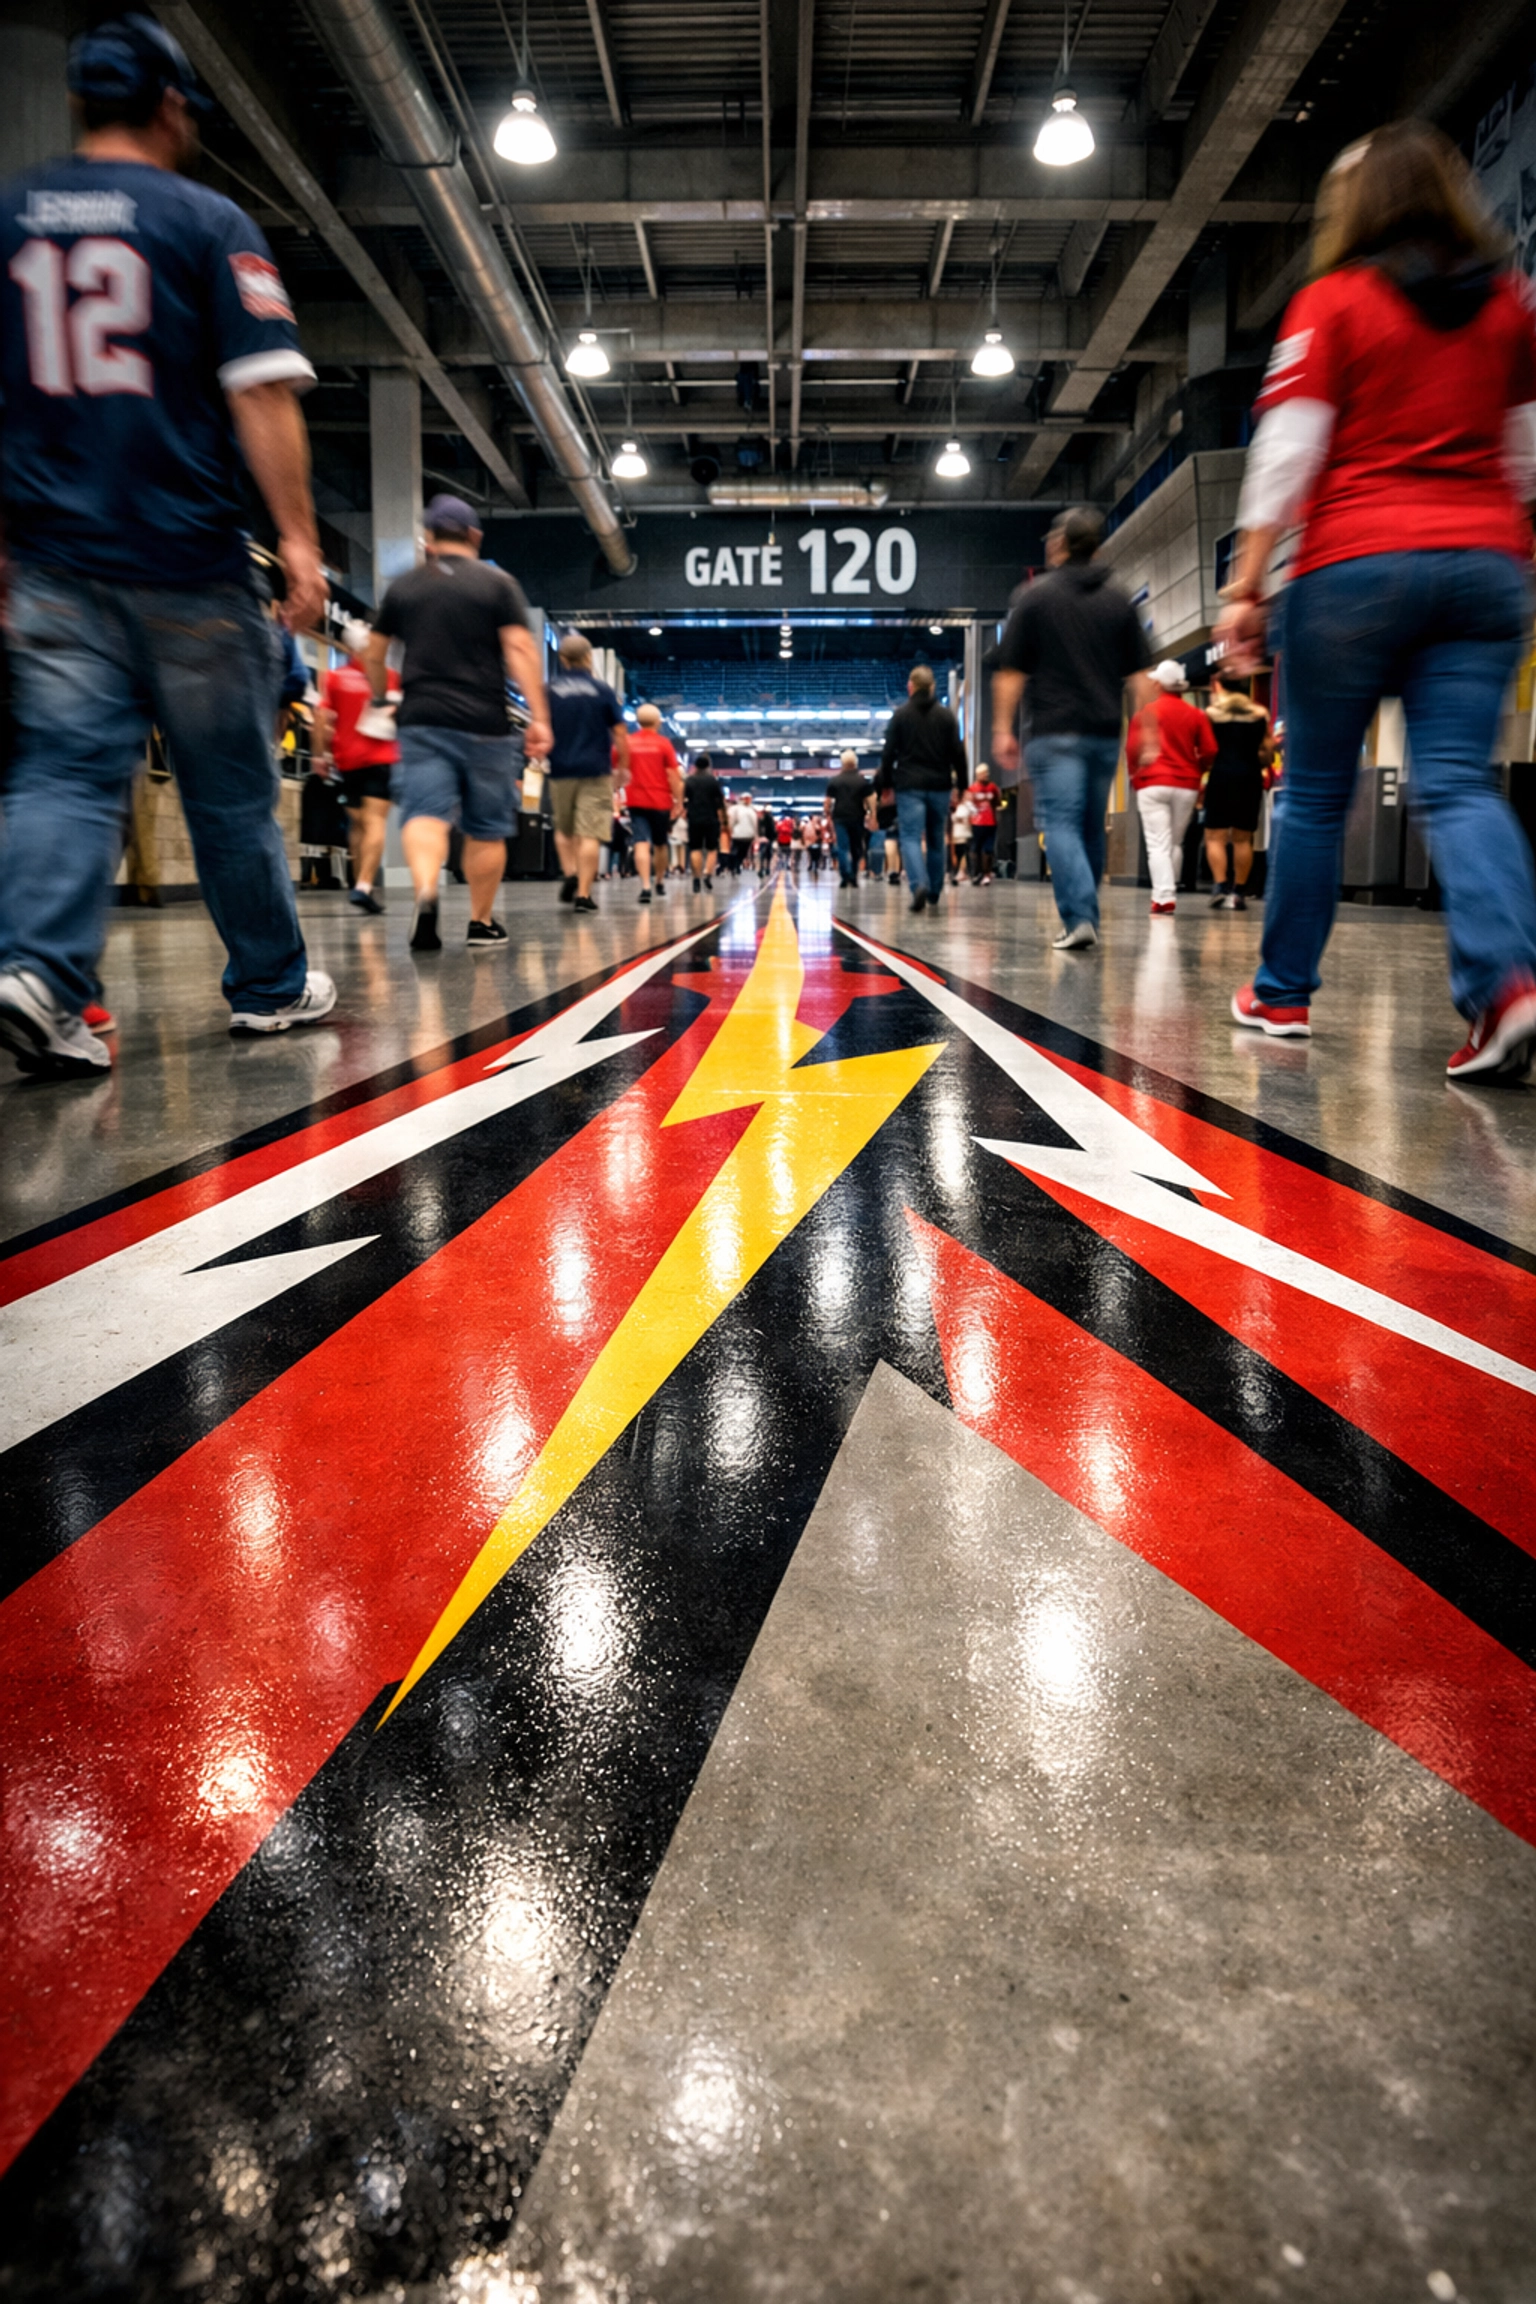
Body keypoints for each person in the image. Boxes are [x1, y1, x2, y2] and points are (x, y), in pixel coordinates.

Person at [0, 12, 336, 1077]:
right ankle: (271, 989)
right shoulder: (208, 221)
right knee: (229, 789)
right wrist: (297, 541)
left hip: (53, 559)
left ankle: (40, 975)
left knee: (61, 773)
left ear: (78, 103)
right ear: (171, 107)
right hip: (187, 555)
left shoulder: (7, 219)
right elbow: (263, 394)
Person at [1217, 120, 1536, 1077]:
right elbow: (1525, 456)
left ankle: (1281, 996)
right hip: (1485, 567)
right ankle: (1509, 985)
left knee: (1313, 796)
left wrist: (1246, 584)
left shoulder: (1334, 299)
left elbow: (1288, 450)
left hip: (1354, 564)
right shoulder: (1512, 309)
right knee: (1457, 782)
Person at [367, 495, 549, 949]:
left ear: (428, 539)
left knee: (424, 813)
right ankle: (480, 922)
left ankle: (427, 889)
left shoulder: (405, 586)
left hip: (422, 718)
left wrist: (379, 696)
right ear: (474, 536)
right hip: (484, 721)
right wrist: (540, 718)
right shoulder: (497, 584)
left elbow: (373, 652)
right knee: (485, 827)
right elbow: (521, 650)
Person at [992, 507, 1154, 951]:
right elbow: (1142, 676)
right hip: (1104, 732)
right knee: (1088, 826)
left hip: (1054, 730)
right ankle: (1087, 915)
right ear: (1098, 545)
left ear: (1059, 544)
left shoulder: (1035, 597)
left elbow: (1010, 672)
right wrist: (1148, 733)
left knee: (1059, 823)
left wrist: (1002, 729)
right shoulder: (1119, 600)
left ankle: (1080, 916)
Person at [315, 617, 398, 914]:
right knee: (375, 821)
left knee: (358, 824)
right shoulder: (388, 677)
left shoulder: (335, 678)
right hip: (380, 758)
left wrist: (320, 756)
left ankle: (360, 886)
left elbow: (322, 721)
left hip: (346, 760)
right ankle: (364, 885)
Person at [1125, 659, 1217, 916]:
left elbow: (1132, 749)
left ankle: (1164, 897)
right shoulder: (1196, 715)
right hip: (1187, 784)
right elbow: (1210, 750)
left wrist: (1135, 776)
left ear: (1158, 684)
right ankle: (1170, 888)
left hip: (1152, 782)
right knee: (1175, 842)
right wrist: (1198, 770)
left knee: (1157, 843)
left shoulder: (1145, 714)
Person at [545, 633, 626, 916]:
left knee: (564, 830)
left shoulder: (549, 690)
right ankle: (583, 894)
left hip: (560, 769)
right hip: (596, 770)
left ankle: (569, 872)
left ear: (563, 659)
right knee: (590, 833)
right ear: (589, 657)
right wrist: (623, 767)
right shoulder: (603, 691)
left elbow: (540, 727)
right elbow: (619, 732)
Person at [878, 664, 967, 913]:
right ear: (932, 687)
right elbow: (958, 753)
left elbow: (888, 754)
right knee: (937, 838)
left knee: (910, 837)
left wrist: (885, 785)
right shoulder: (947, 716)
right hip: (940, 786)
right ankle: (935, 890)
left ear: (910, 686)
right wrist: (962, 785)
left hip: (909, 786)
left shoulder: (901, 715)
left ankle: (918, 884)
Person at [1201, 670, 1272, 912]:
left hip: (1221, 775)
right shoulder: (1260, 714)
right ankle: (1239, 892)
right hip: (1249, 776)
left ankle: (1220, 886)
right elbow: (1267, 752)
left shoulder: (1211, 714)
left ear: (1220, 686)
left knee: (1214, 836)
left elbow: (1207, 749)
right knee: (1243, 838)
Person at [622, 702, 683, 905]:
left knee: (640, 841)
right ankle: (659, 881)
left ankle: (645, 886)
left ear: (638, 721)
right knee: (660, 844)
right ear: (657, 722)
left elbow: (617, 769)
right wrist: (679, 801)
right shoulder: (664, 744)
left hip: (635, 799)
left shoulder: (628, 742)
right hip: (660, 801)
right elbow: (673, 775)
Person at [824, 750, 869, 888]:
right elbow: (868, 800)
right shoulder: (862, 781)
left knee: (842, 847)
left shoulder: (835, 780)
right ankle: (854, 875)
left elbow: (827, 802)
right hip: (857, 817)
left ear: (842, 763)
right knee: (856, 847)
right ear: (855, 762)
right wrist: (870, 813)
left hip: (840, 817)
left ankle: (845, 876)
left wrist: (828, 814)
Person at [684, 751, 727, 890]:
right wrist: (724, 821)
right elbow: (720, 804)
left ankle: (696, 878)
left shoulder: (689, 781)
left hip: (694, 818)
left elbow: (685, 801)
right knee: (712, 849)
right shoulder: (713, 781)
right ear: (708, 766)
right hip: (711, 819)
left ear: (695, 766)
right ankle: (707, 874)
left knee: (695, 849)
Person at [967, 765, 1003, 884]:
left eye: (987, 772)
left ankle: (987, 874)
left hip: (991, 823)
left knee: (988, 849)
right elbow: (968, 804)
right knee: (975, 849)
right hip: (976, 823)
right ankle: (976, 873)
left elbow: (997, 802)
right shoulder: (972, 789)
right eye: (983, 773)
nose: (986, 775)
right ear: (977, 775)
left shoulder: (992, 787)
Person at [729, 791, 758, 876]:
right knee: (735, 851)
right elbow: (731, 820)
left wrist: (755, 835)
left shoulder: (751, 810)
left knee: (742, 852)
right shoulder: (735, 809)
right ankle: (734, 866)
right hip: (737, 834)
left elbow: (754, 823)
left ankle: (737, 866)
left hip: (748, 835)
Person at [949, 792, 974, 883]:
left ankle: (962, 872)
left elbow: (965, 817)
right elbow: (955, 818)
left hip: (965, 833)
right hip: (957, 833)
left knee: (964, 853)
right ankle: (957, 872)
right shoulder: (957, 806)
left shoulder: (968, 806)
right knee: (958, 853)